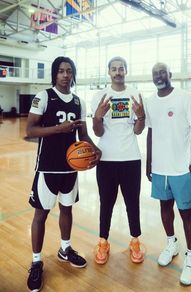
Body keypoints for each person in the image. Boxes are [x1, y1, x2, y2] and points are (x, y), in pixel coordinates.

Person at [26, 56, 101, 292]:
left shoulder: (78, 101)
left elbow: (83, 136)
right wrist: (58, 129)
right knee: (41, 215)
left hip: (71, 168)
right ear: (55, 74)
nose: (65, 75)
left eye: (69, 71)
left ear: (73, 74)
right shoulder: (43, 96)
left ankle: (64, 249)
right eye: (61, 71)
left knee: (67, 210)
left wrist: (94, 149)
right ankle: (36, 262)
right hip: (47, 166)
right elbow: (30, 130)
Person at [146, 62, 191, 286]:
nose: (158, 76)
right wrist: (148, 162)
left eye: (162, 72)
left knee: (186, 212)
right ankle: (172, 243)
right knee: (164, 208)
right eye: (155, 73)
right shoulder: (150, 101)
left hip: (181, 168)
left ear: (170, 75)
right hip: (160, 169)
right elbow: (150, 132)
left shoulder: (185, 97)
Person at [91, 56, 145, 265]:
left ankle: (135, 240)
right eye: (114, 69)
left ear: (126, 70)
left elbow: (138, 131)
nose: (118, 72)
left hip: (131, 158)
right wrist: (97, 117)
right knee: (106, 203)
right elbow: (98, 131)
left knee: (133, 202)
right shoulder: (100, 95)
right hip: (106, 159)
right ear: (109, 72)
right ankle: (103, 241)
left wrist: (140, 117)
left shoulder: (135, 94)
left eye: (121, 68)